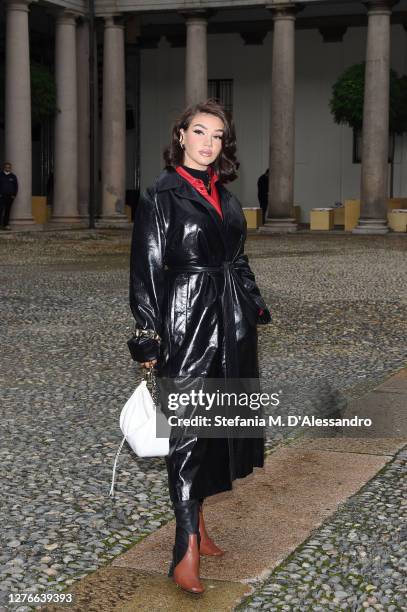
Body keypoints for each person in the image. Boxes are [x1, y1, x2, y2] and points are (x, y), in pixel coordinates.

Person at [128, 99, 271, 595]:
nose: (209, 143)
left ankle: (200, 524)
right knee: (188, 430)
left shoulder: (226, 198)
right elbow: (146, 271)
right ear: (181, 137)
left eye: (217, 135)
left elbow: (239, 258)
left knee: (217, 426)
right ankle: (184, 549)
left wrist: (252, 304)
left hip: (231, 322)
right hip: (185, 320)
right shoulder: (160, 196)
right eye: (200, 132)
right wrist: (147, 334)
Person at [0, 162, 18, 230]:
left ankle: (6, 225)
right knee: (0, 210)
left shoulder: (13, 176)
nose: (8, 168)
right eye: (6, 167)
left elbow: (16, 186)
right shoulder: (0, 175)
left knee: (7, 211)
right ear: (4, 167)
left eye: (9, 167)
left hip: (10, 197)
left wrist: (14, 195)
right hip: (1, 196)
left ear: (10, 168)